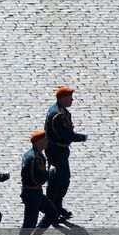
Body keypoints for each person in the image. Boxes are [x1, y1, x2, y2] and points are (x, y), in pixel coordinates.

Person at [44, 86, 88, 221]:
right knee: (56, 181)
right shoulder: (58, 116)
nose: (72, 100)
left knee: (64, 179)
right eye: (70, 98)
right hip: (56, 151)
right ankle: (51, 211)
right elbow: (67, 135)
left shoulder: (61, 111)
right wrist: (82, 137)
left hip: (61, 150)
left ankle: (58, 206)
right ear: (62, 99)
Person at [14, 131, 60, 235]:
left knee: (52, 212)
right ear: (38, 142)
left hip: (36, 192)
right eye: (45, 140)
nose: (47, 142)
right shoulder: (35, 158)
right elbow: (39, 178)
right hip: (32, 194)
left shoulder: (35, 154)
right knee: (29, 224)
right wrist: (51, 172)